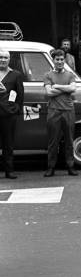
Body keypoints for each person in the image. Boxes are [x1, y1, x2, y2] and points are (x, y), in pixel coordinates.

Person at [43, 48, 78, 177]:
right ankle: (51, 167)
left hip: (68, 110)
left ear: (64, 60)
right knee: (53, 141)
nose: (59, 62)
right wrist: (66, 89)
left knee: (69, 140)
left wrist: (57, 86)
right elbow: (48, 92)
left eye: (61, 59)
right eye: (57, 59)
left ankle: (70, 166)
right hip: (54, 111)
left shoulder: (70, 75)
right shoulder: (48, 75)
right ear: (53, 60)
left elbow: (73, 88)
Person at [0, 49, 24, 179]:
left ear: (9, 60)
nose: (3, 60)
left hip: (8, 114)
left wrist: (16, 110)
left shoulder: (16, 74)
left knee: (8, 144)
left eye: (5, 57)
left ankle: (9, 171)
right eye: (1, 57)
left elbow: (20, 95)